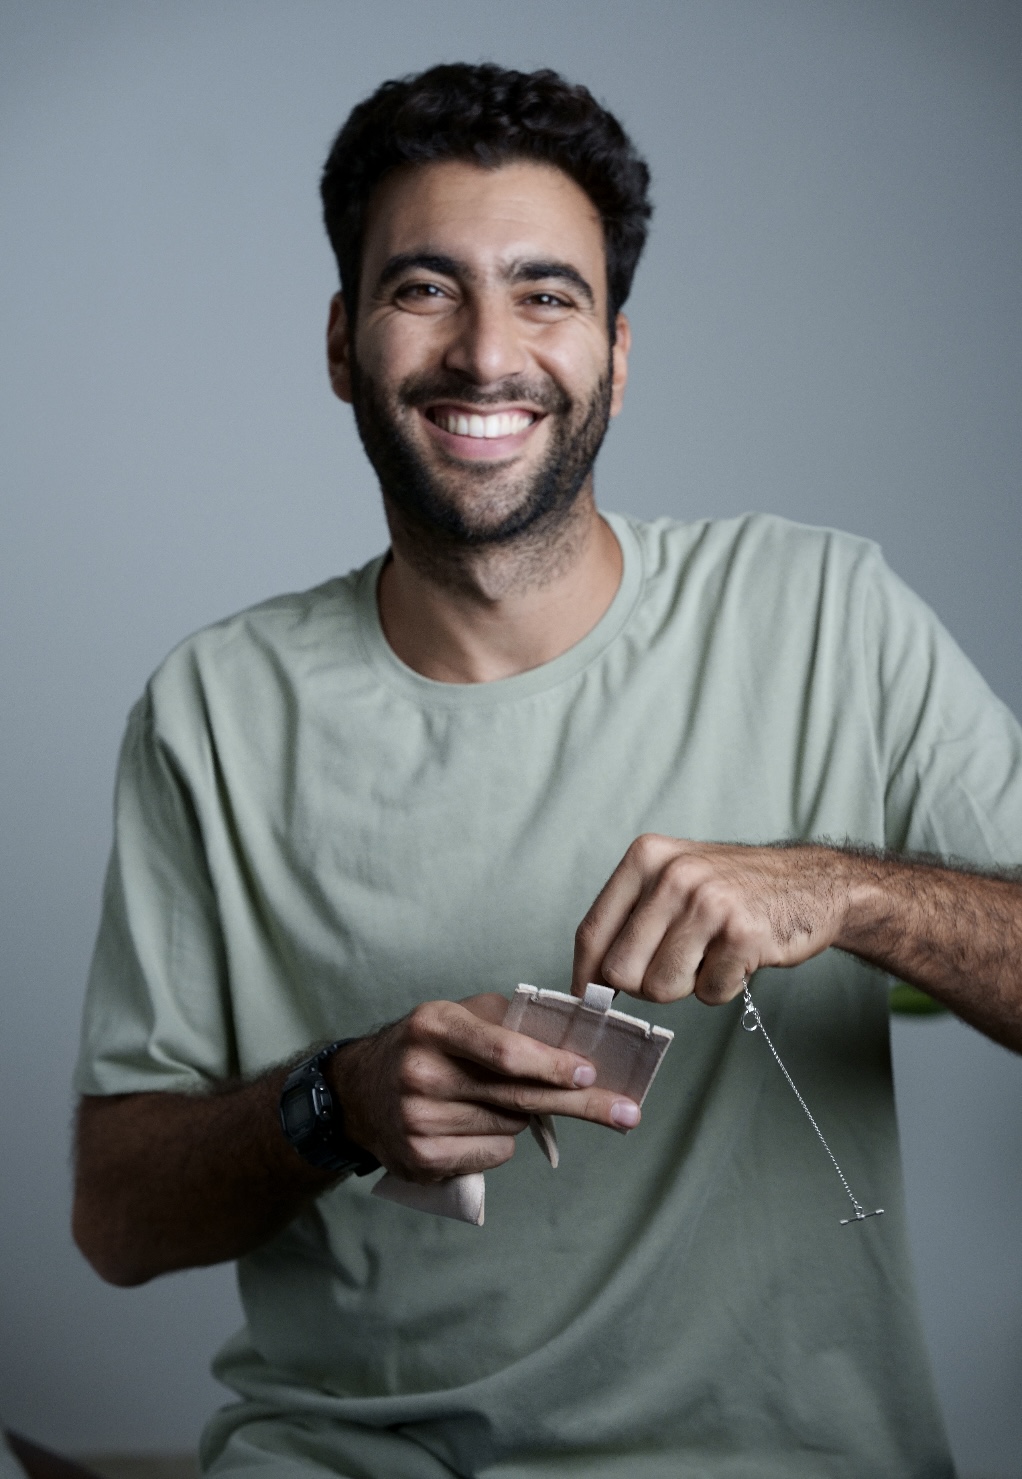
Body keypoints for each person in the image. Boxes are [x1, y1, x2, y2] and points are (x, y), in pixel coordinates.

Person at [72, 63, 1022, 1478]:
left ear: (616, 356)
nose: (485, 352)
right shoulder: (212, 707)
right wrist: (335, 1101)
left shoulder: (827, 610)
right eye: (423, 288)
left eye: (545, 293)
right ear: (343, 344)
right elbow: (119, 1222)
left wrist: (848, 895)